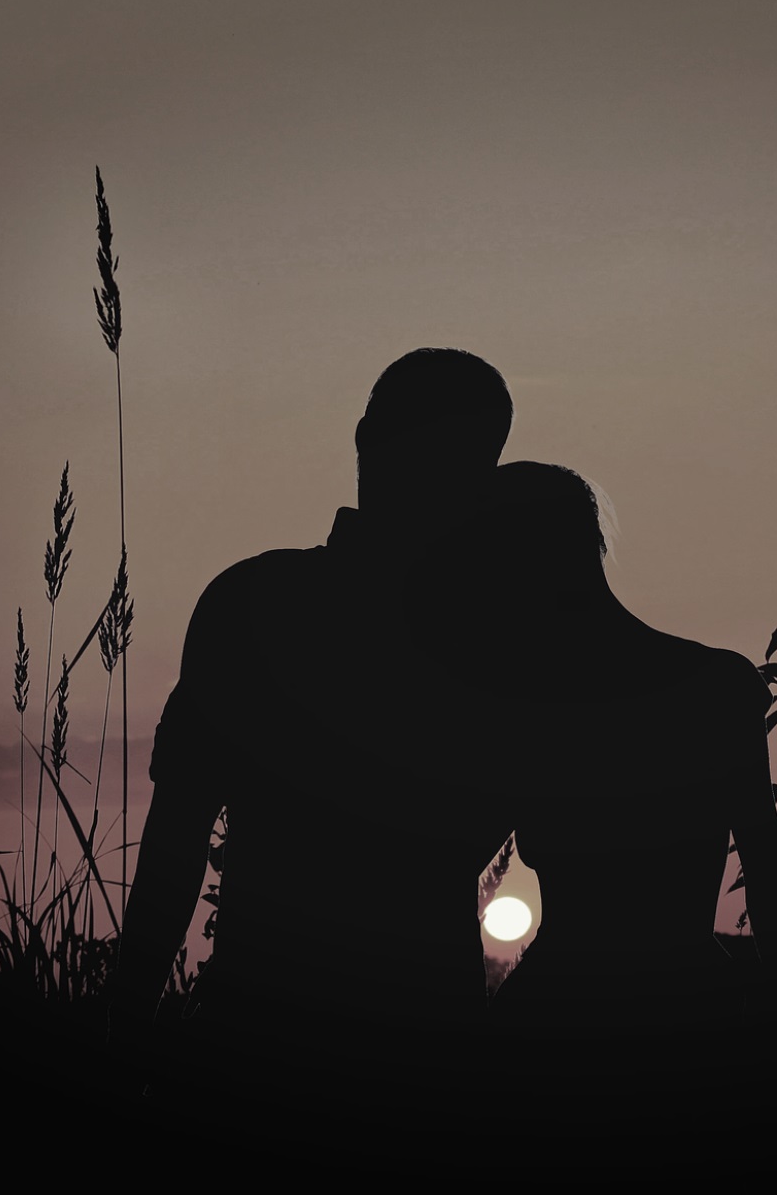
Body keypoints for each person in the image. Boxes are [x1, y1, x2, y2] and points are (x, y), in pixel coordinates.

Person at [107, 348, 517, 1120]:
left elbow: (174, 845)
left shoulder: (249, 602)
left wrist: (124, 1031)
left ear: (364, 439)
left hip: (268, 1044)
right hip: (417, 1055)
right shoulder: (495, 639)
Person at [398, 461, 777, 1127]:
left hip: (559, 1025)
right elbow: (771, 892)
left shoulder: (520, 707)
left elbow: (438, 874)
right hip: (690, 1020)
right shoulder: (716, 686)